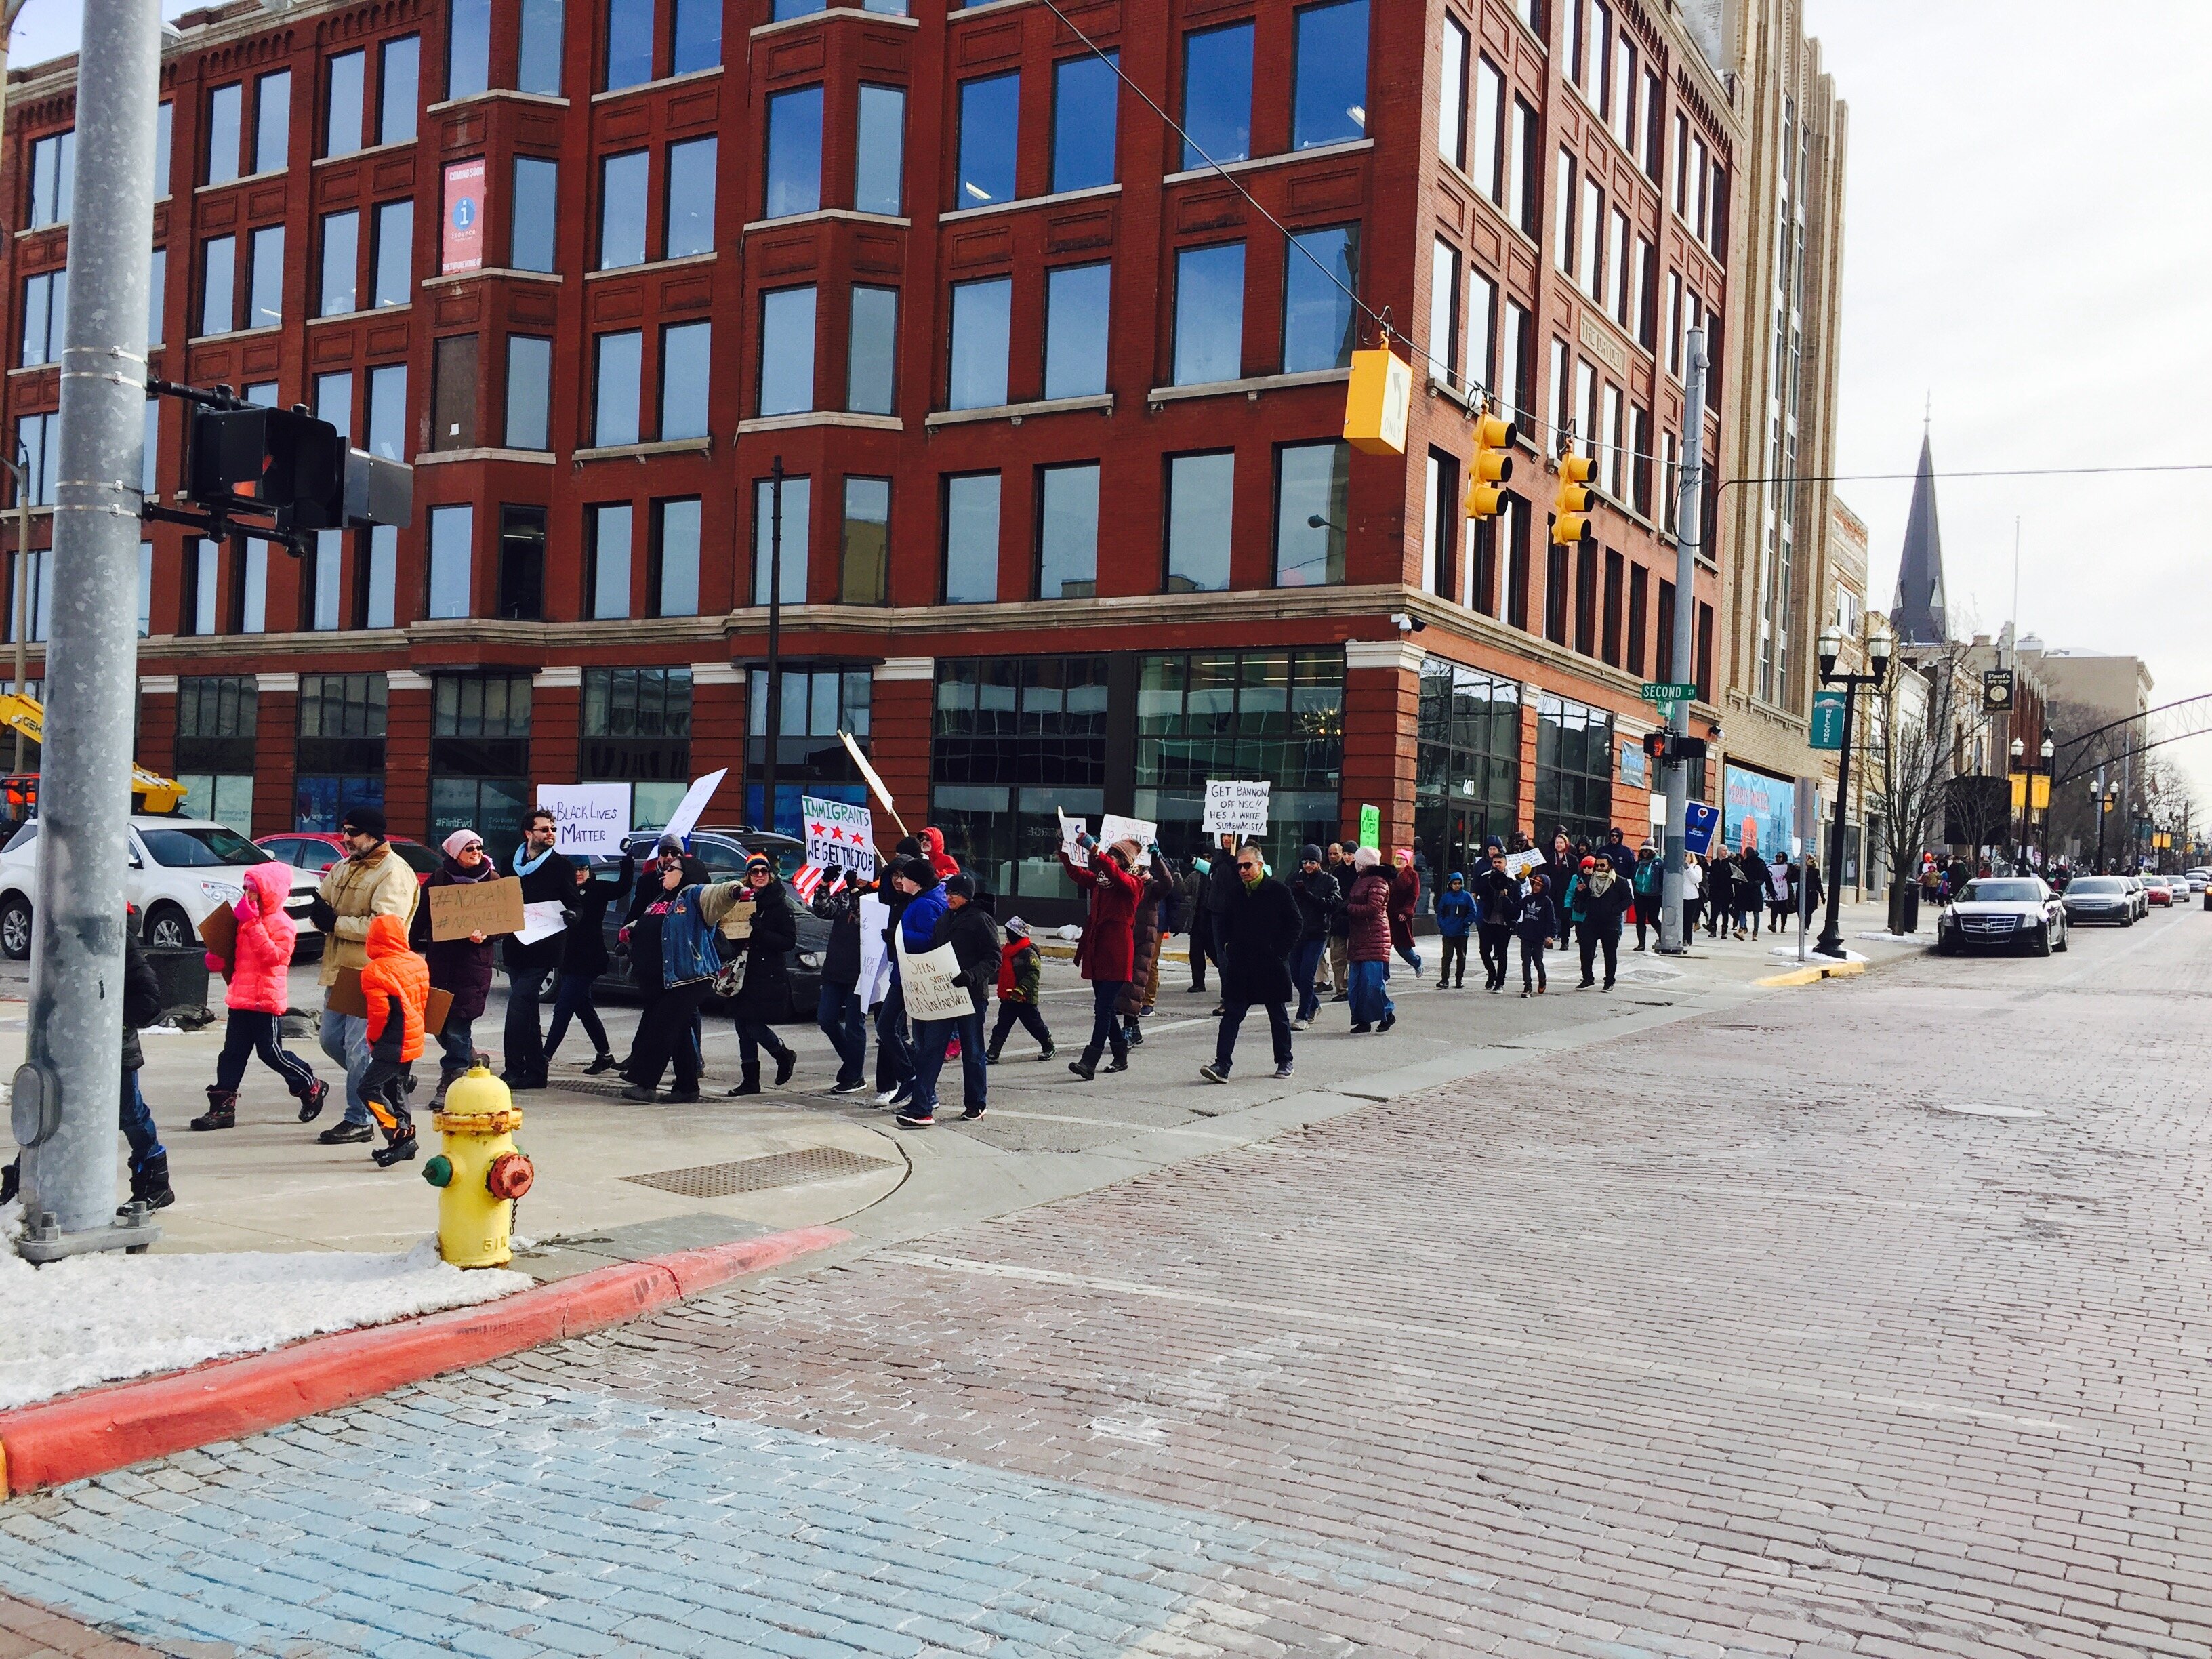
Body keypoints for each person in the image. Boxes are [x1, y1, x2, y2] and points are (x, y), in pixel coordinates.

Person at [3, 923, 175, 1214]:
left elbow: (148, 1001)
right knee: (46, 1112)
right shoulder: (55, 926)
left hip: (111, 1053)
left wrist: (104, 1023)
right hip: (61, 1048)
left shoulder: (118, 938)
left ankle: (155, 1182)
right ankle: (23, 1176)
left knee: (129, 1114)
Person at [307, 804, 419, 1145]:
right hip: (339, 971)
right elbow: (322, 902)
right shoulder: (344, 866)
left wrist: (335, 923)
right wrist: (316, 913)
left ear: (373, 834)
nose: (346, 838)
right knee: (330, 1041)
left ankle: (360, 1118)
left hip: (373, 974)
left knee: (359, 1050)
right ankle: (387, 1081)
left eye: (353, 832)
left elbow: (388, 926)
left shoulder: (394, 873)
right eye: (345, 830)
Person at [194, 861, 327, 1130]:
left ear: (270, 892)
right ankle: (222, 1109)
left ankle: (309, 1086)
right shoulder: (246, 921)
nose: (248, 894)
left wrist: (253, 924)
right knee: (232, 1054)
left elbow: (275, 958)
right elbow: (237, 956)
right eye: (245, 888)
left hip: (266, 1001)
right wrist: (217, 958)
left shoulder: (283, 924)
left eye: (253, 890)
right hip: (241, 998)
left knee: (272, 1053)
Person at [618, 851, 727, 1102]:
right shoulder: (661, 898)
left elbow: (717, 894)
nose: (665, 872)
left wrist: (735, 890)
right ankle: (687, 1088)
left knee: (661, 1027)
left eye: (672, 869)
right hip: (662, 978)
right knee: (678, 1032)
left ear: (686, 874)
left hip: (689, 977)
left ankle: (646, 1084)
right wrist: (630, 932)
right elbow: (652, 923)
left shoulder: (693, 896)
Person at [899, 872, 1000, 1126]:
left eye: (953, 893)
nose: (949, 898)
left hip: (972, 996)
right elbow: (934, 951)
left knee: (973, 1050)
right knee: (931, 1048)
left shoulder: (981, 920)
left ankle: (976, 1104)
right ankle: (921, 1107)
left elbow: (993, 958)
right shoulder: (943, 920)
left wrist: (971, 976)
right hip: (944, 995)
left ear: (966, 895)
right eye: (948, 893)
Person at [1200, 842, 1300, 1082]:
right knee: (1231, 1014)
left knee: (1277, 1015)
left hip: (1270, 964)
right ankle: (1222, 1065)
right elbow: (1223, 924)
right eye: (1240, 866)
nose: (1243, 870)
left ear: (1260, 865)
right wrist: (1228, 948)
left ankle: (1285, 1060)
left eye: (1247, 865)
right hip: (1241, 965)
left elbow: (1295, 924)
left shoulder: (1278, 891)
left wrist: (1280, 952)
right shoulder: (1235, 893)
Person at [415, 829, 499, 1105]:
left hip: (473, 966)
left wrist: (487, 935)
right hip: (441, 963)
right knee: (439, 1025)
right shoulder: (439, 880)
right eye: (469, 848)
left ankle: (450, 1084)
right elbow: (419, 917)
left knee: (458, 1027)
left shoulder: (492, 880)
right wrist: (407, 947)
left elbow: (504, 923)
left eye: (479, 847)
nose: (476, 852)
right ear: (455, 852)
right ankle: (473, 1059)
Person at [499, 809, 574, 1091]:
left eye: (553, 829)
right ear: (528, 834)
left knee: (519, 1004)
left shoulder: (561, 866)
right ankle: (536, 1073)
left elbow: (574, 902)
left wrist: (573, 915)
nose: (550, 833)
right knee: (529, 1011)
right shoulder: (510, 863)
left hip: (546, 946)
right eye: (544, 829)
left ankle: (513, 1068)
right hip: (517, 944)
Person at [1060, 836, 1141, 1079]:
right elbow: (1076, 874)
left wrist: (1096, 850)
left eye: (1117, 855)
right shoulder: (1100, 882)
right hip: (1098, 952)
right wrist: (1064, 849)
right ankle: (1120, 1054)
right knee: (1104, 1009)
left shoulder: (1133, 883)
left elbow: (1116, 875)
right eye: (1110, 854)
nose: (1111, 858)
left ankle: (1090, 1060)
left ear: (1125, 862)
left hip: (1117, 953)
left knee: (1102, 1007)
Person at [544, 854, 626, 1074]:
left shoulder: (597, 889)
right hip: (568, 959)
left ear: (590, 870)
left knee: (563, 1008)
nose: (579, 873)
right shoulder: (563, 891)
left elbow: (622, 887)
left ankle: (544, 1058)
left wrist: (627, 860)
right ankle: (605, 1055)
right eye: (575, 869)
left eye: (584, 868)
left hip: (589, 959)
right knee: (584, 1008)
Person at [357, 913, 428, 1167]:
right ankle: (405, 1140)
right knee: (396, 1088)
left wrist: (373, 1040)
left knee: (367, 1088)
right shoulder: (417, 962)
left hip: (391, 1041)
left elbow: (379, 1014)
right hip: (413, 1036)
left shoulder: (374, 971)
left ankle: (397, 1134)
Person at [726, 851, 798, 1096]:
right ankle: (750, 1081)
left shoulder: (779, 904)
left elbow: (789, 941)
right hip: (743, 971)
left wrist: (761, 933)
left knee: (754, 1026)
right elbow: (732, 934)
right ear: (747, 876)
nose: (759, 875)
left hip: (766, 973)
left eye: (763, 871)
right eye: (754, 872)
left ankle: (783, 1054)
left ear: (770, 875)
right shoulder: (741, 901)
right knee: (741, 1027)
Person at [813, 876, 870, 1094]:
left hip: (860, 972)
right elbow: (822, 910)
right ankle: (852, 1063)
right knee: (826, 1018)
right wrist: (825, 884)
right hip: (836, 968)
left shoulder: (875, 896)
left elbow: (863, 918)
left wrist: (855, 888)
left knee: (855, 1024)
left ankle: (855, 1076)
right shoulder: (845, 895)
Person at [1120, 849, 1176, 1046]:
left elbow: (1169, 884)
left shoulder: (1151, 886)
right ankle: (1133, 1028)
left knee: (1134, 983)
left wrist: (1157, 859)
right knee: (1125, 985)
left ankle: (1129, 1028)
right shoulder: (1124, 883)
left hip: (1143, 940)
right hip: (1125, 937)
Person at [985, 915, 1052, 1063]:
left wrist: (1021, 989)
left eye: (1010, 932)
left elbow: (1033, 973)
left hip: (1024, 998)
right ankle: (993, 1052)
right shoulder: (1007, 951)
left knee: (1034, 1025)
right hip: (1008, 997)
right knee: (1002, 1026)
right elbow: (1002, 972)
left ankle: (1048, 1046)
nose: (1008, 936)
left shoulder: (1028, 952)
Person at [1344, 846, 1395, 1033]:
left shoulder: (1378, 881)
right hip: (1359, 936)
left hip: (1375, 937)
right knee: (1355, 985)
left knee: (1372, 984)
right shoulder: (1361, 880)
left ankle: (1387, 1013)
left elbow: (1373, 908)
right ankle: (1362, 1020)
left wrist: (1348, 909)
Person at [1286, 844, 1338, 1028]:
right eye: (1305, 862)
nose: (1308, 865)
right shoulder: (1294, 877)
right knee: (1295, 974)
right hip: (1296, 933)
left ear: (1319, 862)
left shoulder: (1329, 881)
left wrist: (1309, 896)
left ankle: (1303, 1015)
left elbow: (1333, 904)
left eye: (1312, 862)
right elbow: (1284, 901)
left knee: (1307, 974)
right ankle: (1314, 1004)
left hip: (1317, 933)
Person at [1573, 854, 1631, 990]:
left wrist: (1614, 910)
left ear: (1609, 866)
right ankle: (1588, 978)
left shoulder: (1620, 881)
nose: (1599, 868)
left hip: (1611, 922)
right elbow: (1583, 897)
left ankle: (1609, 981)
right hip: (1592, 920)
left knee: (1610, 952)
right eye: (1597, 866)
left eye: (1602, 865)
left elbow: (1629, 900)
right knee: (1586, 950)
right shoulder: (1590, 880)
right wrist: (1579, 891)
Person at [1200, 831, 1239, 1012]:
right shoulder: (1218, 857)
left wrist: (1236, 866)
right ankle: (1228, 996)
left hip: (1235, 913)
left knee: (1233, 957)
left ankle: (1233, 996)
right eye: (1223, 834)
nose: (1226, 839)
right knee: (1222, 957)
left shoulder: (1243, 856)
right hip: (1216, 911)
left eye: (1230, 835)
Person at [1473, 842, 1518, 992]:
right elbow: (1477, 892)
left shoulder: (1512, 881)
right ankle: (1492, 973)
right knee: (1484, 951)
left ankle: (1500, 982)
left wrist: (1506, 896)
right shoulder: (1486, 877)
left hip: (1504, 922)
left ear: (1505, 863)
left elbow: (1516, 904)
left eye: (1500, 862)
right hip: (1488, 920)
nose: (1497, 865)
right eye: (1495, 862)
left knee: (1501, 953)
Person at [1517, 873, 1559, 996]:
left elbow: (1551, 921)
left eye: (1539, 885)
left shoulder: (1547, 902)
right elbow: (1516, 907)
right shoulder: (1528, 899)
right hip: (1525, 934)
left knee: (1537, 961)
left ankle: (1542, 978)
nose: (1536, 887)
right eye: (1535, 884)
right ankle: (1527, 986)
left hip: (1539, 937)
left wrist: (1550, 936)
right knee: (1525, 961)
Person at [1433, 871, 1474, 988]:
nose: (1457, 886)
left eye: (1459, 883)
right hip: (1448, 931)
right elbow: (1440, 912)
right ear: (1450, 884)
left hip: (1461, 931)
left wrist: (1466, 923)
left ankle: (1459, 979)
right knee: (1447, 956)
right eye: (1455, 883)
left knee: (1461, 957)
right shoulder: (1446, 898)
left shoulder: (1466, 897)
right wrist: (1442, 924)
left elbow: (1472, 911)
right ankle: (1444, 979)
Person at [1325, 843, 1354, 1000]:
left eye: (1351, 854)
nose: (1348, 857)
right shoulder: (1337, 872)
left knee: (1352, 957)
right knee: (1337, 957)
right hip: (1338, 920)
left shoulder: (1359, 872)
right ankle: (1341, 989)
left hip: (1354, 920)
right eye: (1346, 854)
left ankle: (1352, 987)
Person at [1388, 847, 1423, 977]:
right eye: (1397, 858)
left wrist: (1406, 911)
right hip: (1387, 915)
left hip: (1401, 916)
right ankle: (1385, 975)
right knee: (1385, 947)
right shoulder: (1389, 873)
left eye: (1402, 859)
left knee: (1402, 947)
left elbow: (1414, 895)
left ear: (1407, 861)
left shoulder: (1412, 875)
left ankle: (1416, 962)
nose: (1399, 861)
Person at [1181, 855, 1212, 994]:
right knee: (1196, 954)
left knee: (1217, 956)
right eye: (1203, 857)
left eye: (1209, 857)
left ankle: (1230, 983)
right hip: (1197, 921)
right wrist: (1176, 874)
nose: (1206, 860)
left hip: (1212, 922)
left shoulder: (1216, 875)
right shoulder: (1195, 875)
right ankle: (1198, 983)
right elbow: (1184, 889)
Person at [1631, 844, 1663, 950]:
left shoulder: (1658, 862)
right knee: (1640, 919)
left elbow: (1662, 878)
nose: (1645, 853)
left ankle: (1663, 937)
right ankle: (1641, 944)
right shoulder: (1638, 863)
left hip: (1654, 895)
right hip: (1639, 893)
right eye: (1643, 851)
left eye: (1647, 851)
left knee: (1653, 918)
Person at [1767, 852, 1795, 934]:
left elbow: (1791, 877)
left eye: (1780, 857)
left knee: (1784, 909)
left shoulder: (1789, 866)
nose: (1778, 858)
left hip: (1785, 891)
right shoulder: (1773, 866)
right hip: (1775, 890)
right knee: (1774, 908)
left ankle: (1783, 926)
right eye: (1777, 857)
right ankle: (1773, 924)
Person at [1681, 850, 1706, 938]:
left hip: (1691, 897)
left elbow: (1697, 880)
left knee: (1688, 919)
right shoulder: (1678, 867)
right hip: (1679, 897)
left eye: (1686, 855)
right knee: (1680, 920)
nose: (1684, 857)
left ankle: (1687, 938)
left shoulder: (1696, 868)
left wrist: (1688, 869)